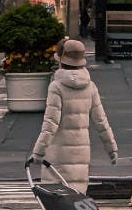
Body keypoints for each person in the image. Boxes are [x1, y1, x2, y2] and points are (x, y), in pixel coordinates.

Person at [30, 39, 118, 193]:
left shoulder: (56, 87)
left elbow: (50, 124)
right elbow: (101, 121)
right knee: (76, 199)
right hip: (81, 154)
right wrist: (112, 149)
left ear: (61, 60)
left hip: (58, 155)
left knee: (57, 200)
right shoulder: (90, 86)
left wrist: (38, 152)